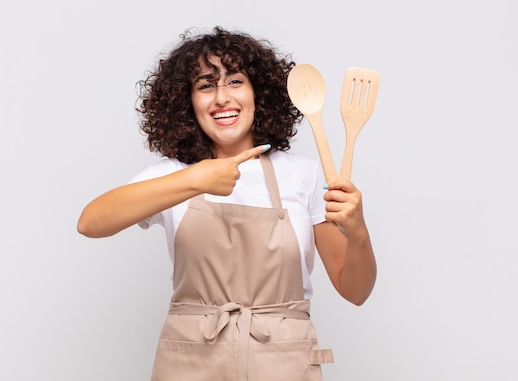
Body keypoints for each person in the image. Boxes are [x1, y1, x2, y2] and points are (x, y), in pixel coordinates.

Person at [77, 26, 376, 381]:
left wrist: (358, 232)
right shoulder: (175, 174)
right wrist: (194, 179)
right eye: (205, 85)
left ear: (257, 93)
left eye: (235, 81)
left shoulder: (304, 175)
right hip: (190, 360)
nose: (221, 98)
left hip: (282, 361)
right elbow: (90, 222)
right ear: (187, 102)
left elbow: (355, 291)